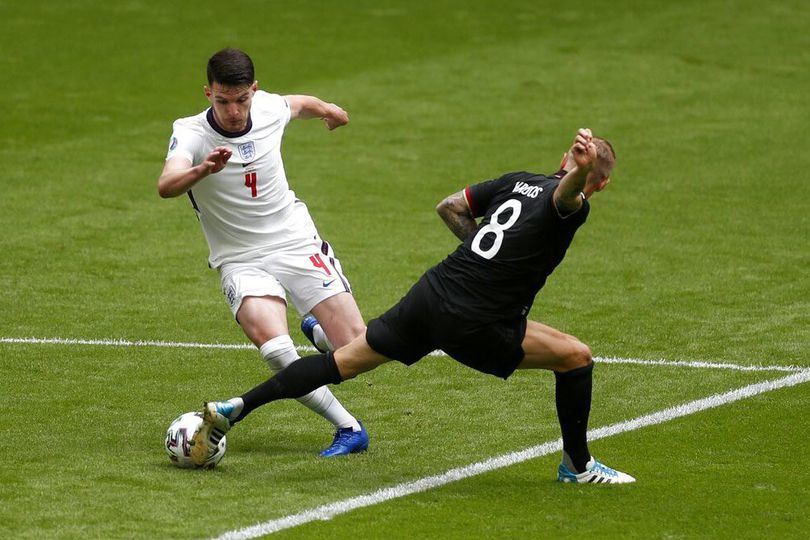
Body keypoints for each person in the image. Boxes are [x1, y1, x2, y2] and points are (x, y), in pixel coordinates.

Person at [191, 128, 635, 483]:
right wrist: (581, 172)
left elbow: (450, 207)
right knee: (576, 358)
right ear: (603, 183)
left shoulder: (517, 181)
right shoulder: (572, 203)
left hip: (431, 294)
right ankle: (577, 467)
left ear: (561, 158)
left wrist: (484, 253)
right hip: (476, 321)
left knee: (341, 363)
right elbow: (565, 197)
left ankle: (235, 407)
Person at [158, 47, 369, 457]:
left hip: (295, 240)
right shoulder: (191, 134)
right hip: (240, 258)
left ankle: (321, 332)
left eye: (241, 100)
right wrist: (203, 170)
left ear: (254, 91)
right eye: (223, 101)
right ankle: (349, 428)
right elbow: (166, 184)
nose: (234, 111)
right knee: (275, 348)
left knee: (358, 347)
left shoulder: (270, 108)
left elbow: (300, 104)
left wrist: (329, 110)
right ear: (208, 94)